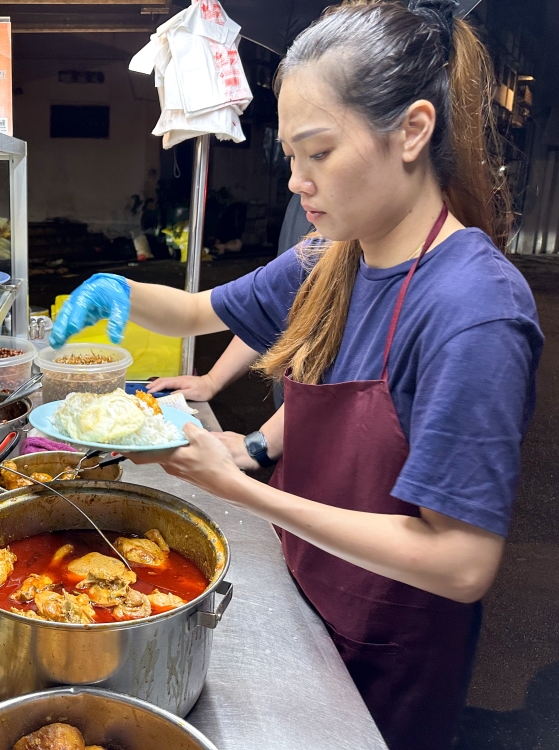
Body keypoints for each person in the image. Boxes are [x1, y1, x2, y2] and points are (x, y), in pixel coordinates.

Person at [49, 2, 543, 748]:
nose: (296, 182)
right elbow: (194, 311)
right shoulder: (334, 256)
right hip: (306, 585)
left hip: (390, 643)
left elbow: (461, 562)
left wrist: (240, 488)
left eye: (318, 152)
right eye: (291, 157)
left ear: (412, 131)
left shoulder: (473, 310)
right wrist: (116, 288)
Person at [146, 193, 312, 403]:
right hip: (292, 408)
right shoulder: (305, 213)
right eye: (291, 159)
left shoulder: (332, 243)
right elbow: (266, 310)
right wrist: (212, 380)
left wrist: (263, 437)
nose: (294, 182)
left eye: (318, 157)